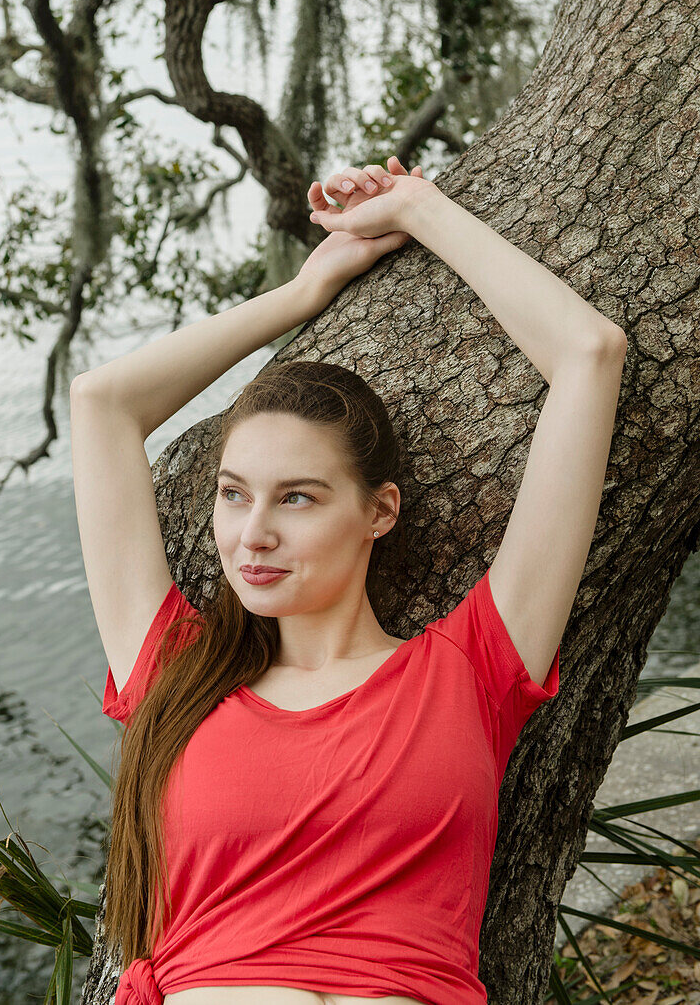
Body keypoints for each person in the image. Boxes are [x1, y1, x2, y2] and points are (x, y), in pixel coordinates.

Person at [69, 155, 628, 1005]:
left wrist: (420, 208)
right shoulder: (173, 672)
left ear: (380, 511)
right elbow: (103, 403)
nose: (252, 533)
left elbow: (590, 354)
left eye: (297, 498)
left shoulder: (472, 668)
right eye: (234, 495)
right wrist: (303, 293)